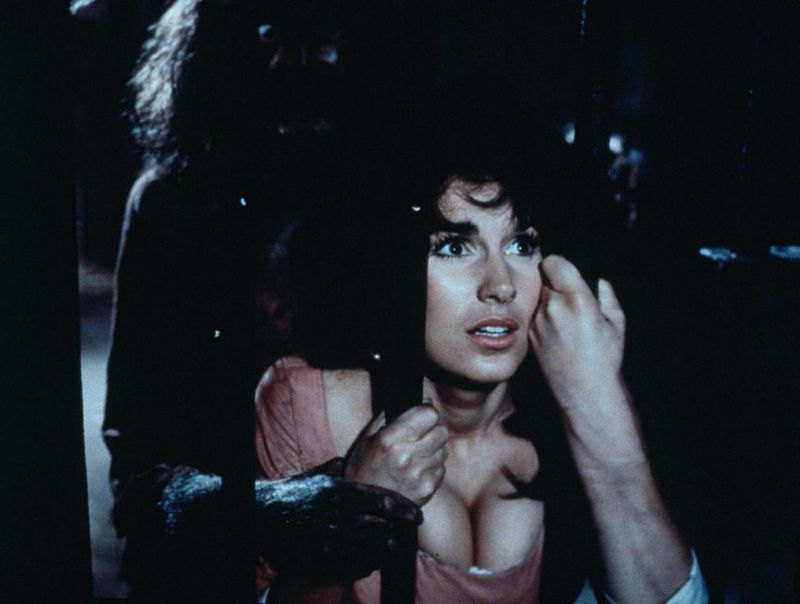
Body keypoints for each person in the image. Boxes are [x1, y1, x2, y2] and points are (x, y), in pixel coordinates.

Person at [255, 87, 709, 603]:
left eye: (521, 244)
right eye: (454, 247)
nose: (501, 285)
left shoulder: (584, 405)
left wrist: (599, 408)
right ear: (388, 264)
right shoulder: (304, 403)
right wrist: (351, 518)